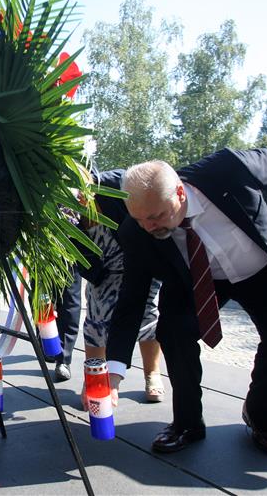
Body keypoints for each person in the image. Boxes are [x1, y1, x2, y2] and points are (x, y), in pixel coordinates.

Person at [106, 148, 267, 458]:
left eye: (156, 217)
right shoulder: (137, 233)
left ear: (180, 192)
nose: (149, 227)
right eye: (140, 219)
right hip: (197, 279)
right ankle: (187, 424)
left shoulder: (229, 169)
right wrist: (114, 373)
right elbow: (131, 300)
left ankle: (260, 419)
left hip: (264, 271)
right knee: (174, 331)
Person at [76, 169, 165, 404]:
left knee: (148, 318)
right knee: (96, 325)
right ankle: (94, 378)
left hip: (139, 265)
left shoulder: (118, 184)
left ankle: (152, 374)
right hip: (103, 273)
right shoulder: (66, 209)